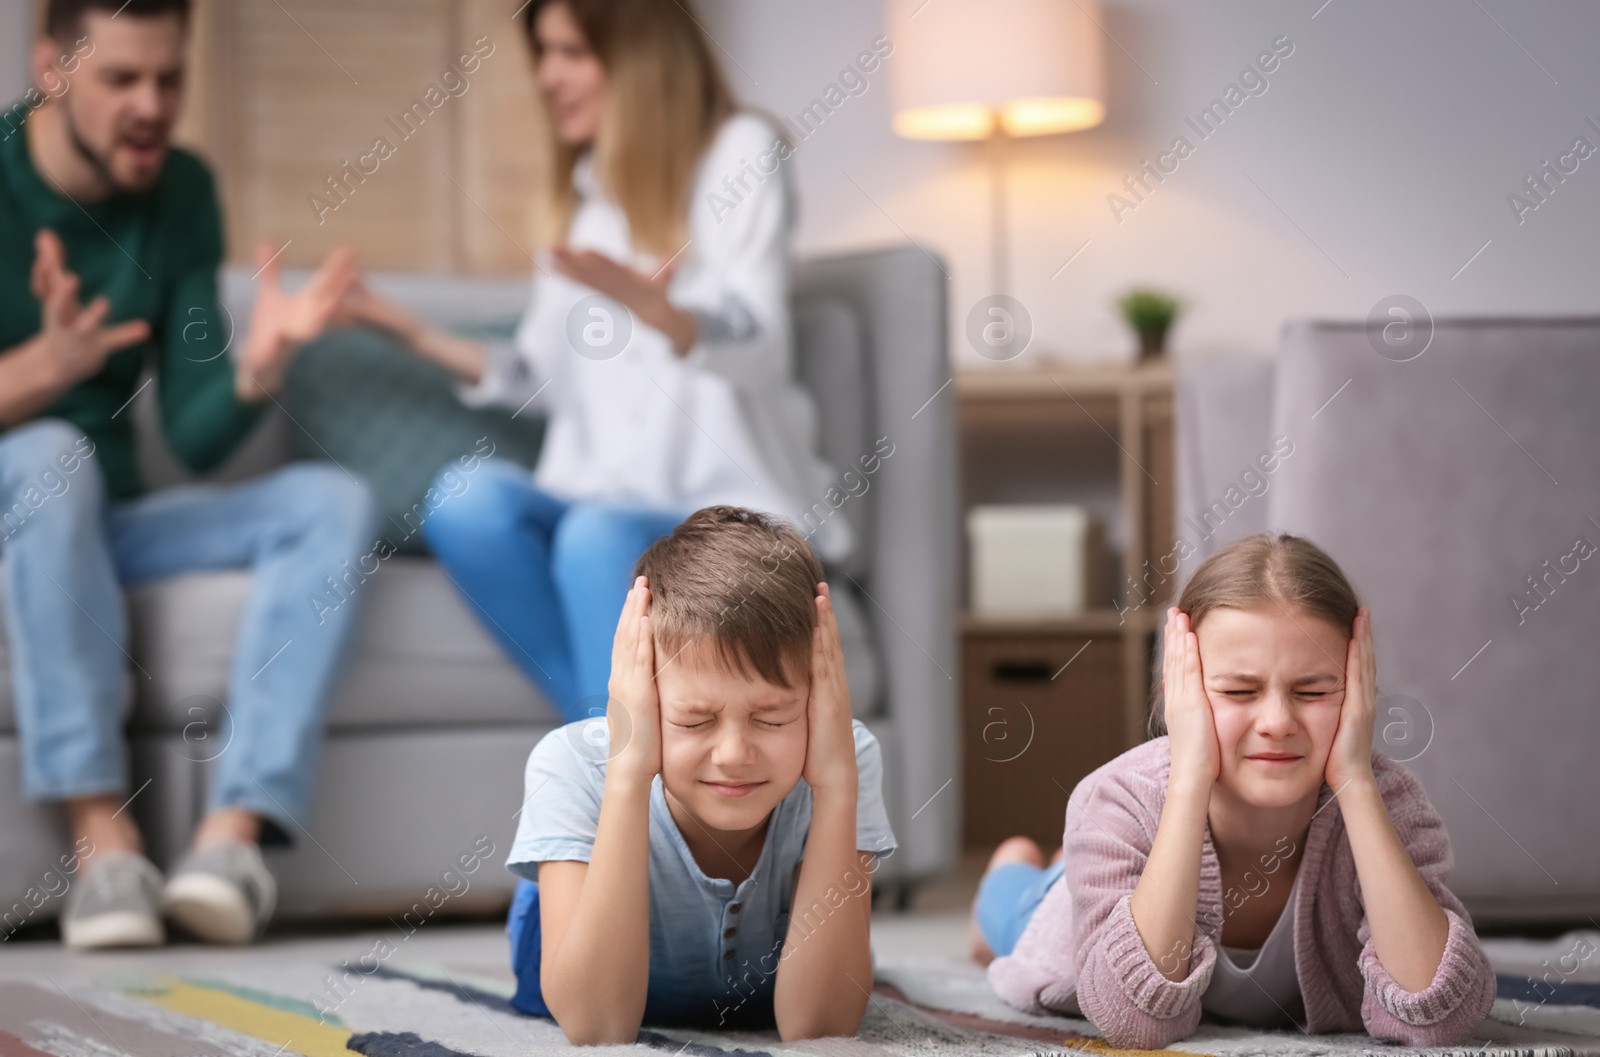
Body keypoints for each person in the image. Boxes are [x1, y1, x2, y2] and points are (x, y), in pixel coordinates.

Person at [333, 0, 846, 725]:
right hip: (598, 498)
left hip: (727, 508)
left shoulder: (741, 149)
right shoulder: (584, 199)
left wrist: (667, 314)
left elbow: (759, 340)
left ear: (638, 57)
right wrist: (409, 331)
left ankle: (607, 777)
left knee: (596, 532)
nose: (547, 77)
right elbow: (538, 374)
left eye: (571, 53)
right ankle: (606, 741)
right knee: (464, 497)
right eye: (543, 54)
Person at [0, 0, 376, 948]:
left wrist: (258, 368)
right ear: (51, 68)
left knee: (332, 498)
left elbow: (197, 433)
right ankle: (103, 844)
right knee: (54, 452)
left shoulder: (182, 191)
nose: (152, 106)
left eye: (169, 79)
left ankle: (227, 844)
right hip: (24, 491)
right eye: (119, 79)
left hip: (107, 518)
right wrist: (37, 374)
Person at [970, 534, 1496, 1049]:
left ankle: (1064, 862)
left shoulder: (1392, 803)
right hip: (1067, 910)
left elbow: (1440, 1021)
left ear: (1358, 689)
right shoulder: (1114, 800)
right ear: (1181, 691)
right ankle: (1017, 866)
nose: (1276, 722)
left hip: (1125, 861)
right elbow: (1135, 1024)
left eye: (1312, 691)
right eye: (1240, 691)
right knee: (1014, 914)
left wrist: (1356, 781)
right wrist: (1190, 774)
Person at [503, 507, 895, 1042]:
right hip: (577, 937)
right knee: (560, 922)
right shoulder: (570, 764)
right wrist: (627, 776)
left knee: (850, 952)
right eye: (694, 720)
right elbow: (597, 1028)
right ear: (642, 699)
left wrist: (835, 787)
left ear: (817, 700)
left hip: (777, 984)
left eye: (772, 718)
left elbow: (820, 1029)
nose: (734, 754)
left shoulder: (844, 758)